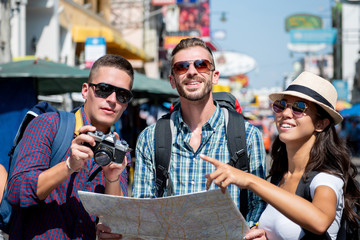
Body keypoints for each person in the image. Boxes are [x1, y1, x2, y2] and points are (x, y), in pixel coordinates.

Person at [99, 37, 265, 236]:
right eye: (181, 67)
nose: (192, 71)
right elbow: (144, 212)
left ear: (215, 76)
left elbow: (259, 208)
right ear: (172, 80)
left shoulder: (247, 135)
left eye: (201, 65)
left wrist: (257, 231)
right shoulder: (151, 138)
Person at [202, 71, 360, 239]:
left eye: (299, 107)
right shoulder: (281, 177)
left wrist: (249, 180)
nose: (286, 113)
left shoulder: (325, 178)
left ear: (320, 123)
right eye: (281, 104)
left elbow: (320, 221)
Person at [6, 54, 134, 239]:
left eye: (122, 95)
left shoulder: (120, 152)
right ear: (85, 90)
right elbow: (17, 192)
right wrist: (68, 166)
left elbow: (114, 225)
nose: (112, 100)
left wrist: (112, 179)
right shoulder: (49, 125)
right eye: (104, 89)